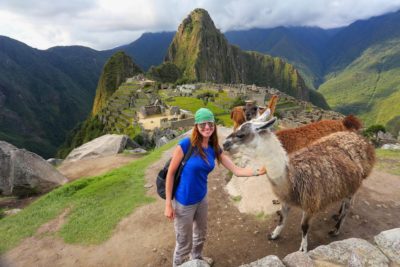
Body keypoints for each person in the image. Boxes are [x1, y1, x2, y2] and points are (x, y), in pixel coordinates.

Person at [164, 108, 266, 267]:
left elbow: (236, 170)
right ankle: (178, 265)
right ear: (196, 126)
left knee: (200, 234)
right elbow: (170, 174)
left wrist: (257, 171)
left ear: (214, 125)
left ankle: (196, 259)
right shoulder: (185, 145)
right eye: (202, 124)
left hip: (201, 199)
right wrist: (168, 204)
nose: (206, 127)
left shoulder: (214, 147)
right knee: (184, 241)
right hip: (183, 203)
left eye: (210, 124)